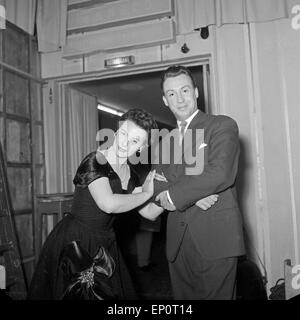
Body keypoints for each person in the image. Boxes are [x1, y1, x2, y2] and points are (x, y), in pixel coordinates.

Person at [27, 108, 217, 300]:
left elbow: (150, 212)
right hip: (76, 242)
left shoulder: (131, 174)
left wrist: (188, 196)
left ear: (141, 149)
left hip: (105, 244)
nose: (125, 143)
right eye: (124, 134)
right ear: (117, 132)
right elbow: (108, 204)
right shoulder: (95, 161)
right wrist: (147, 192)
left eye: (135, 141)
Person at [153, 65, 245, 300]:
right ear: (165, 100)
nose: (180, 99)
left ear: (196, 92)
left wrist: (177, 195)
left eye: (185, 90)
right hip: (177, 243)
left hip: (216, 237)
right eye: (172, 94)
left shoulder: (222, 126)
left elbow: (220, 173)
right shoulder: (164, 143)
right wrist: (195, 194)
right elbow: (157, 184)